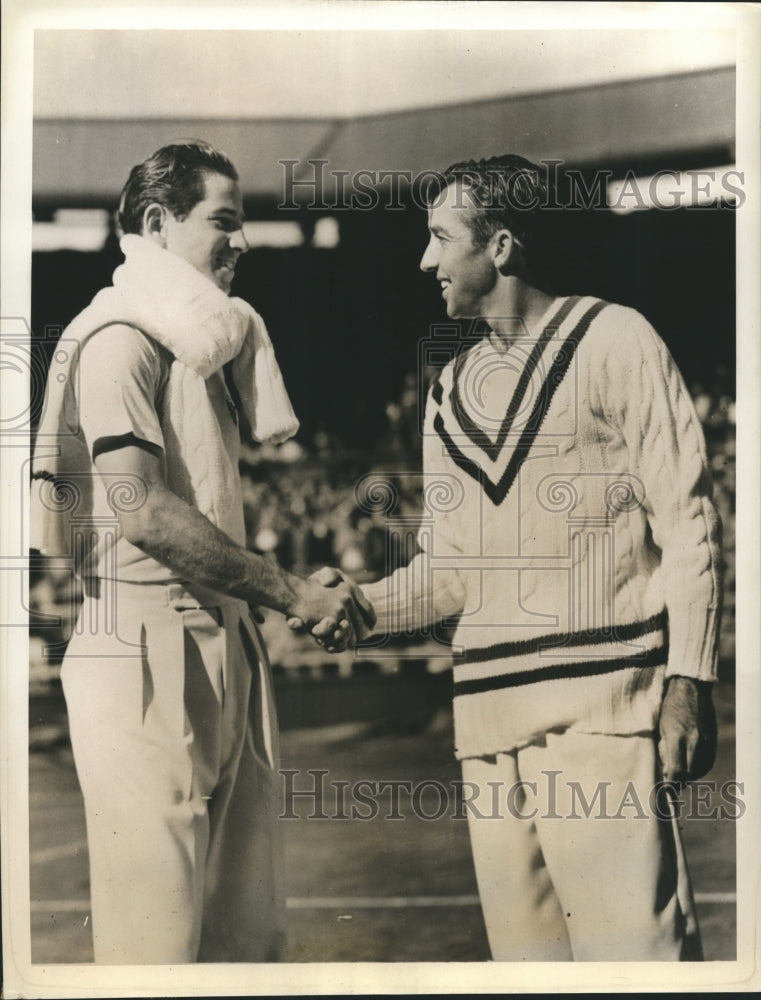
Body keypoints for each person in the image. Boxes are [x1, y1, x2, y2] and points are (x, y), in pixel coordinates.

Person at [359, 154, 722, 961]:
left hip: (603, 716)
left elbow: (689, 520)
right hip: (486, 729)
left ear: (500, 245)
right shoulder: (447, 389)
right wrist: (358, 609)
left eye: (439, 237)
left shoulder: (615, 337)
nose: (425, 260)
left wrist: (689, 682)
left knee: (639, 969)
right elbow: (447, 570)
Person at [30, 140, 374, 964]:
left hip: (228, 634)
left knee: (245, 935)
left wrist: (282, 598)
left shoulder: (196, 339)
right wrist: (295, 593)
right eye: (223, 221)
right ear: (157, 223)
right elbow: (141, 511)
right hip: (143, 642)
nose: (241, 241)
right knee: (155, 942)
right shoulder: (117, 336)